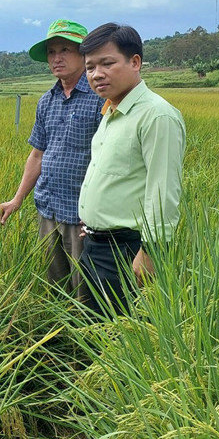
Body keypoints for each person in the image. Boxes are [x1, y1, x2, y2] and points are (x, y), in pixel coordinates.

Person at [76, 22, 186, 318]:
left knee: (119, 336)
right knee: (94, 328)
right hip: (95, 244)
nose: (97, 74)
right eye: (90, 67)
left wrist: (150, 253)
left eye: (107, 63)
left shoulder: (156, 115)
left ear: (135, 62)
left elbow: (163, 192)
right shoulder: (112, 111)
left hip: (128, 252)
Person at [0, 19, 104, 293]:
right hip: (49, 208)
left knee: (87, 289)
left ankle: (88, 335)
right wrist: (17, 198)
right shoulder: (47, 100)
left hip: (84, 215)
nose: (57, 58)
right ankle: (57, 335)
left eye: (65, 50)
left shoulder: (100, 98)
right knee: (55, 287)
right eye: (51, 52)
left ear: (84, 54)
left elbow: (111, 159)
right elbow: (37, 154)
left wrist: (99, 212)